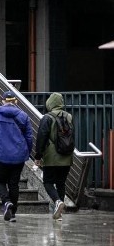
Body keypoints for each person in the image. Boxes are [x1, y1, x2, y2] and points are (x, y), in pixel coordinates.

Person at [0, 91, 34, 222]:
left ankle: (6, 202)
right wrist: (27, 152)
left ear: (3, 101)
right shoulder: (24, 116)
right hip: (18, 156)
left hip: (0, 155)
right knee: (14, 184)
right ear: (16, 102)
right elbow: (29, 137)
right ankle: (13, 213)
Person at [34, 92, 74, 220]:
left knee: (48, 182)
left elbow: (41, 137)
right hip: (67, 156)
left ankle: (57, 201)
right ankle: (59, 213)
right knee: (61, 183)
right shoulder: (69, 117)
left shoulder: (47, 117)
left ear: (50, 103)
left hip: (51, 157)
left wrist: (38, 156)